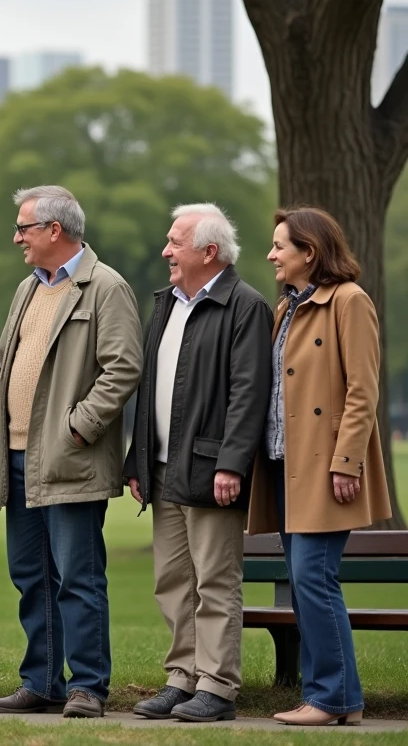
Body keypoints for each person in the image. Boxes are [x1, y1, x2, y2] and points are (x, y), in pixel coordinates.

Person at [0, 185, 142, 719]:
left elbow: (123, 368)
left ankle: (88, 686)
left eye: (24, 227)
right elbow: (2, 370)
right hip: (19, 459)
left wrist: (78, 428)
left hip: (70, 459)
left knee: (78, 577)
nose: (16, 237)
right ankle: (42, 682)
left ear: (55, 230)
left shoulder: (105, 287)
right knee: (30, 577)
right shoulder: (28, 288)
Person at [123, 204, 273, 722]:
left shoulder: (245, 306)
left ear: (208, 252)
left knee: (215, 581)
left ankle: (218, 686)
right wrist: (137, 461)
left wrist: (231, 463)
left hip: (212, 470)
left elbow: (249, 393)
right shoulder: (167, 303)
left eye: (175, 242)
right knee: (172, 582)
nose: (165, 251)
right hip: (163, 468)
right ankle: (182, 679)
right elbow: (150, 389)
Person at [249, 207, 392, 726]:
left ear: (309, 252)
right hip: (286, 465)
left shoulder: (349, 302)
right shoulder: (285, 309)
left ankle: (329, 698)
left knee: (313, 578)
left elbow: (362, 390)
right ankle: (339, 699)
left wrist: (347, 461)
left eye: (279, 246)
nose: (271, 255)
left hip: (327, 467)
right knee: (306, 578)